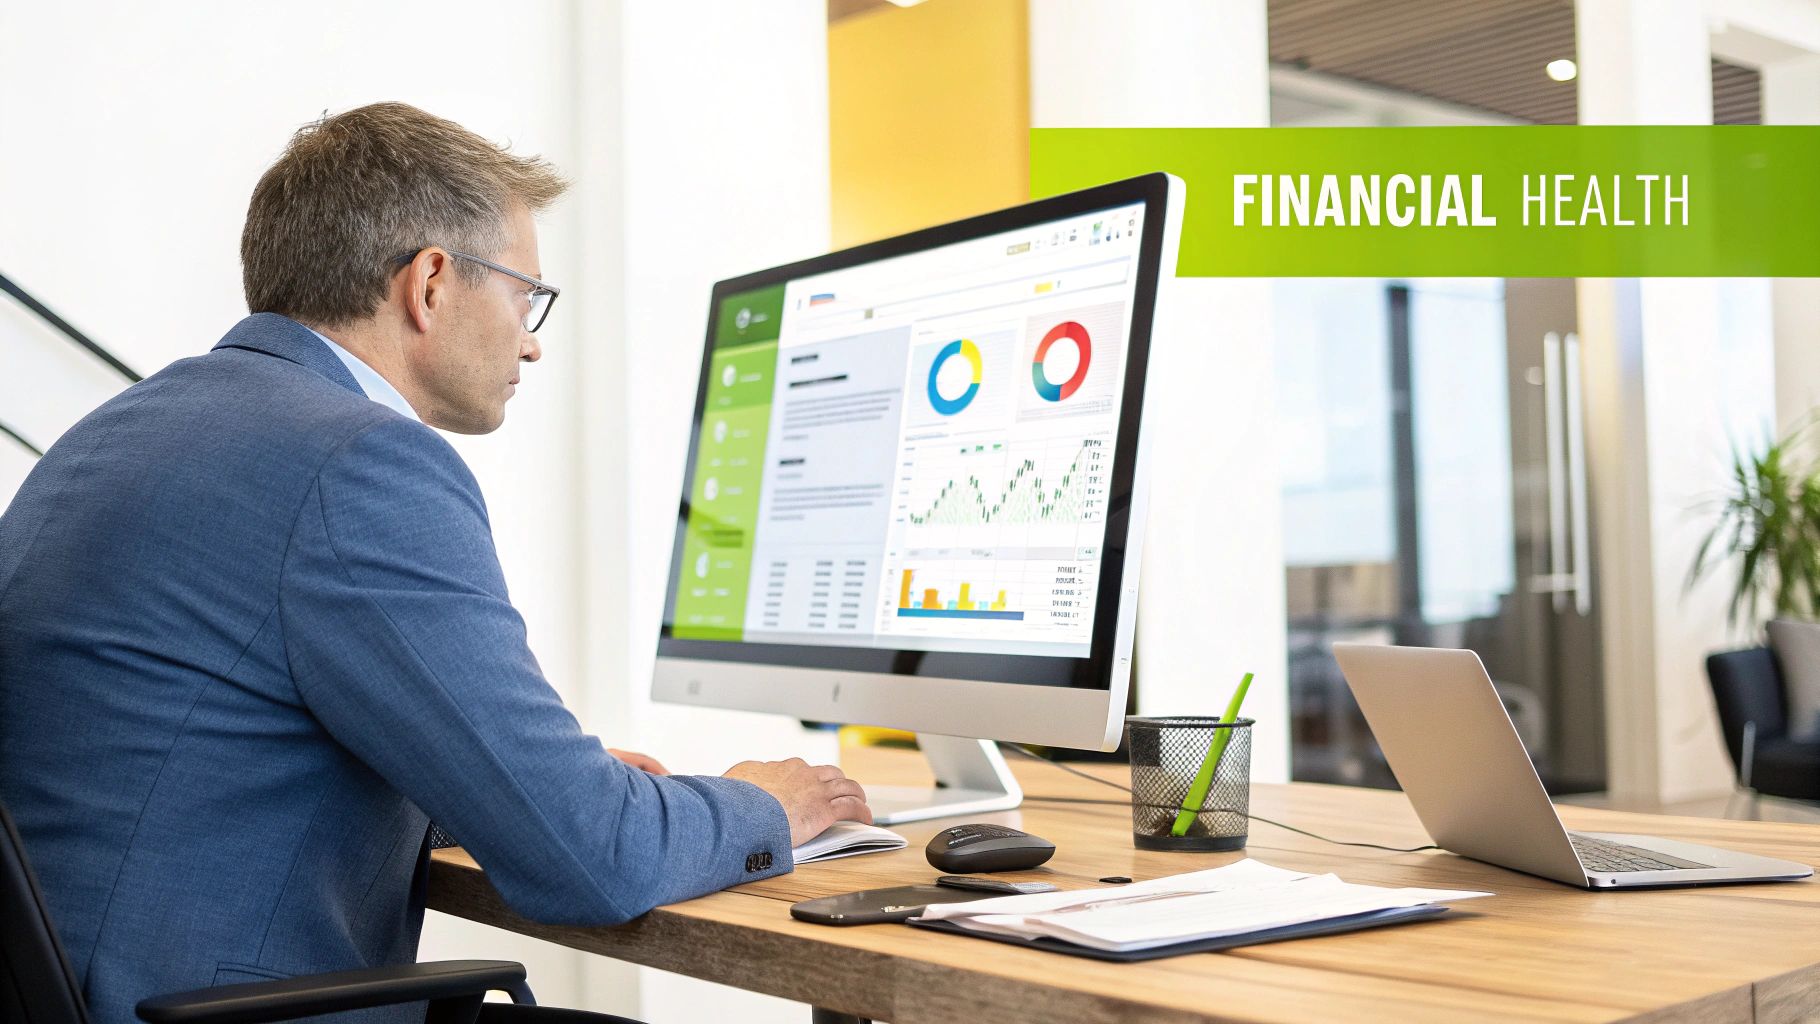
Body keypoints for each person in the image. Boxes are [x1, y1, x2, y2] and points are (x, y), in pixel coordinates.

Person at [0, 102, 871, 1023]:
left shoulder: (123, 431)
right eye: (526, 296)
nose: (532, 338)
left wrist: (501, 783)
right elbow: (591, 859)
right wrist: (762, 805)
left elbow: (213, 738)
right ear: (431, 283)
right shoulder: (361, 463)